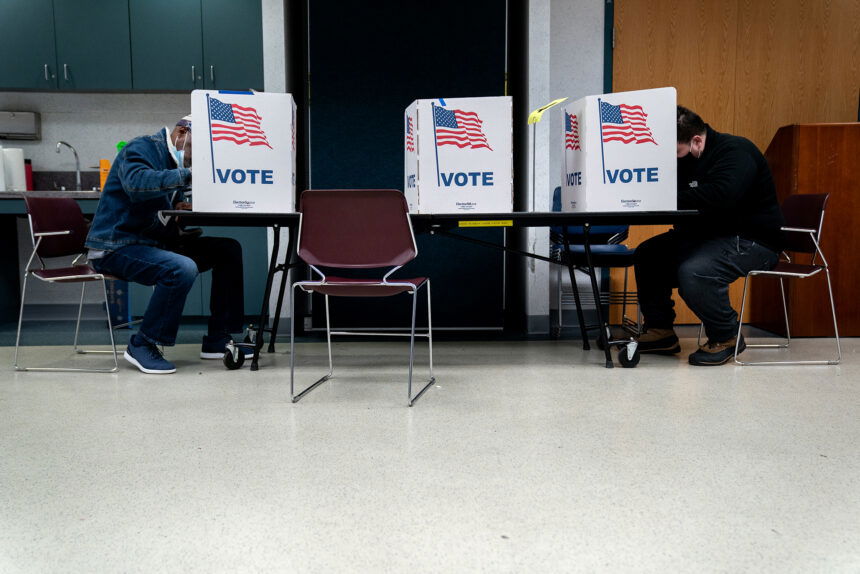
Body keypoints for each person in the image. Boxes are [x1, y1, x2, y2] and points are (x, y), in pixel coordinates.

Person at [86, 116, 249, 374]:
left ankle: (219, 339)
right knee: (180, 268)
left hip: (151, 243)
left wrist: (177, 208)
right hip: (115, 245)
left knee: (227, 249)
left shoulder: (176, 161)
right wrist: (191, 175)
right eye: (200, 150)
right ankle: (142, 344)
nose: (197, 160)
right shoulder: (141, 148)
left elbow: (154, 207)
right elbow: (136, 184)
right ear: (182, 132)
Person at [633, 106, 785, 366]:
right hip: (708, 237)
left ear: (696, 141)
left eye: (677, 152)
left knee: (696, 271)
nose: (675, 160)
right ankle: (661, 331)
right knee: (649, 254)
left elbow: (720, 196)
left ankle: (726, 336)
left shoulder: (736, 151)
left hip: (752, 241)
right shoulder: (687, 158)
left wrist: (659, 198)